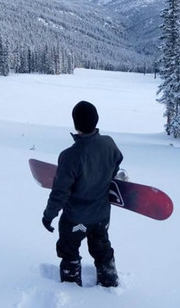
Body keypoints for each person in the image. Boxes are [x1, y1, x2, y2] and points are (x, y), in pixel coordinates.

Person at [41, 101, 124, 287]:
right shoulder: (109, 144)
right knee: (102, 249)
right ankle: (110, 282)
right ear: (96, 120)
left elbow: (60, 192)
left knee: (69, 251)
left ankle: (71, 290)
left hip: (75, 219)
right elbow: (117, 161)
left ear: (75, 124)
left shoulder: (70, 156)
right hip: (101, 216)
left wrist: (49, 215)